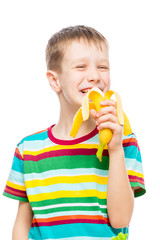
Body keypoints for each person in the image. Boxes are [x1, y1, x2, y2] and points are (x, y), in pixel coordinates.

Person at [3, 25, 146, 240]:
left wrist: (115, 150)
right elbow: (22, 223)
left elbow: (121, 220)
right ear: (55, 80)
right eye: (81, 66)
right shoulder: (28, 149)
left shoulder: (124, 140)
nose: (95, 76)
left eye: (102, 67)